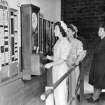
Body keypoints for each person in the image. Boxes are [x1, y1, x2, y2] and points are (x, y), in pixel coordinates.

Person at [45, 21, 71, 105]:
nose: (54, 31)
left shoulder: (65, 42)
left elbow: (62, 59)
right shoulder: (58, 41)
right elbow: (56, 58)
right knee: (56, 92)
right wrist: (49, 57)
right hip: (56, 69)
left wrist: (50, 64)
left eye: (55, 29)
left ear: (61, 30)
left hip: (61, 70)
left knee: (61, 92)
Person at [66, 24, 86, 103]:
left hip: (73, 68)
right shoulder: (64, 41)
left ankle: (73, 102)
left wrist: (76, 62)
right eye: (66, 31)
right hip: (64, 67)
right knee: (65, 87)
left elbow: (81, 54)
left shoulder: (78, 42)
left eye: (68, 31)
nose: (66, 33)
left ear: (73, 32)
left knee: (73, 88)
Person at [87, 24, 105, 103]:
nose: (99, 31)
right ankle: (95, 96)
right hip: (97, 62)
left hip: (102, 63)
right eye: (99, 30)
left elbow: (96, 50)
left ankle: (95, 97)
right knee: (96, 79)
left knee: (99, 80)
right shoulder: (100, 40)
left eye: (101, 30)